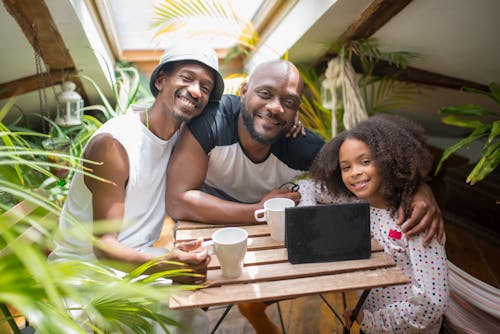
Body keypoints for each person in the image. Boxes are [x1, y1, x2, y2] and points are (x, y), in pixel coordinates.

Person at [166, 60, 445, 333]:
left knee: (265, 290)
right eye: (265, 94)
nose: (275, 107)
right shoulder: (212, 119)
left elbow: (353, 173)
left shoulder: (302, 146)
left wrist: (418, 188)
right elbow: (178, 201)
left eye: (288, 102)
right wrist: (257, 209)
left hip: (269, 229)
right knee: (193, 298)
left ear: (296, 110)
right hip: (206, 219)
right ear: (244, 92)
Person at [49, 42, 226, 333]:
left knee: (195, 310)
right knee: (179, 319)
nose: (196, 91)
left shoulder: (182, 135)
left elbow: (239, 116)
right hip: (86, 275)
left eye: (205, 88)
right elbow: (103, 248)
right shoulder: (115, 144)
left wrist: (292, 127)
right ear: (160, 80)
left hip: (136, 260)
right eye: (187, 78)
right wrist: (168, 264)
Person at [308, 114, 449, 333]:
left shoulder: (415, 219)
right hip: (369, 319)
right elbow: (310, 189)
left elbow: (432, 303)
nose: (355, 172)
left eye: (365, 161)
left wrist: (372, 321)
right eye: (346, 167)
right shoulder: (358, 199)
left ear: (389, 160)